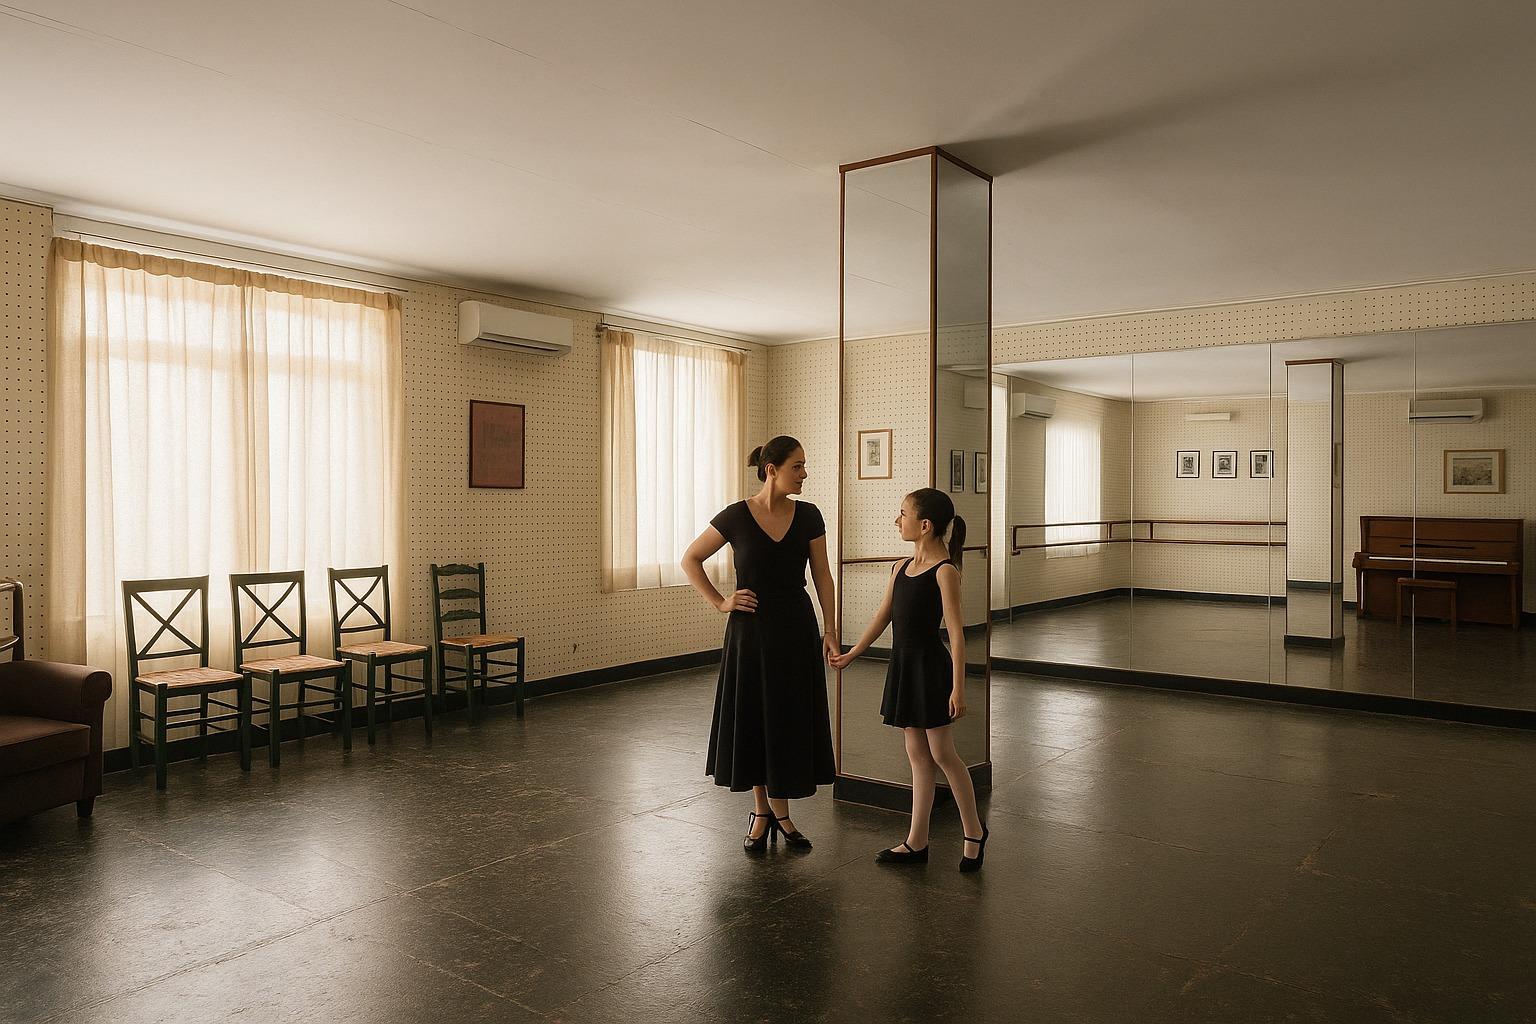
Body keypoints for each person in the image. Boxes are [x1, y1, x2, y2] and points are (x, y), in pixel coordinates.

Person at [681, 435, 837, 852]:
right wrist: (721, 602)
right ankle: (763, 812)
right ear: (772, 470)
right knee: (755, 717)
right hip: (750, 631)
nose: (804, 474)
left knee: (786, 717)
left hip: (796, 629)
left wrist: (830, 629)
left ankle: (779, 813)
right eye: (797, 466)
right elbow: (690, 559)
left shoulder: (809, 515)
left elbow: (822, 575)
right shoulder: (736, 515)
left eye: (804, 466)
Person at [830, 488, 988, 872]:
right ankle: (917, 841)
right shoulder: (900, 567)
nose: (897, 520)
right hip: (903, 667)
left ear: (925, 525)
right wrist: (853, 653)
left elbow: (956, 634)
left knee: (943, 755)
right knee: (917, 755)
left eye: (903, 514)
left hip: (930, 669)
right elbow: (882, 616)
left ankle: (974, 830)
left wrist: (959, 688)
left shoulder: (945, 571)